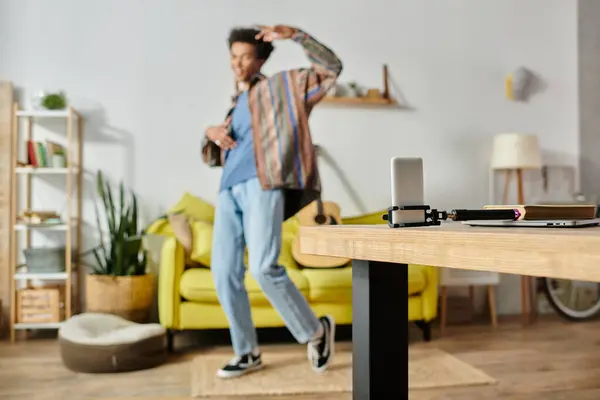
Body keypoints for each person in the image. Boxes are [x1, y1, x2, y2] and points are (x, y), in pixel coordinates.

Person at [201, 24, 343, 379]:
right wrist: (211, 133)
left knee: (263, 267)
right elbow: (213, 155)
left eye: (245, 56)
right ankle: (246, 352)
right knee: (223, 274)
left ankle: (316, 331)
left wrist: (296, 35)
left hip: (265, 184)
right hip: (228, 189)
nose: (237, 63)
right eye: (233, 57)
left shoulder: (285, 87)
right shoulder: (235, 105)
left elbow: (332, 68)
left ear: (260, 57)